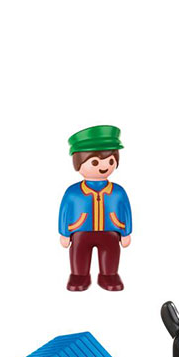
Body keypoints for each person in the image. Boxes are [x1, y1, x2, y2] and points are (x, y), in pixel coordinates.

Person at [58, 125, 133, 291]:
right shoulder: (73, 192)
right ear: (78, 162)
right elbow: (64, 211)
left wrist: (126, 232)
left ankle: (109, 275)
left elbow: (126, 210)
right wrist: (64, 233)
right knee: (79, 253)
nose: (104, 166)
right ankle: (79, 275)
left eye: (111, 161)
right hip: (80, 231)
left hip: (111, 231)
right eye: (94, 162)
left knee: (111, 253)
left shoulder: (118, 191)